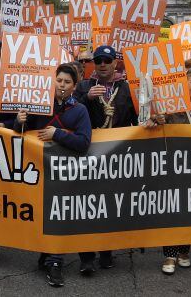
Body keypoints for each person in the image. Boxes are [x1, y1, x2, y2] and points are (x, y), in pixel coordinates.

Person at [0, 64, 92, 287]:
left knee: (57, 215)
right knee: (42, 215)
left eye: (67, 82)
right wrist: (17, 122)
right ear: (53, 81)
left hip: (65, 174)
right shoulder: (40, 106)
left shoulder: (80, 110)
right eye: (59, 80)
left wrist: (56, 134)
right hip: (39, 172)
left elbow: (83, 143)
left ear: (74, 86)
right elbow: (24, 130)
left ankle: (55, 261)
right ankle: (47, 254)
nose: (62, 85)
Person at [143, 68, 191, 275]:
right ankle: (170, 254)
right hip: (173, 167)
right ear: (185, 83)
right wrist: (158, 121)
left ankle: (185, 251)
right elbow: (155, 128)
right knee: (172, 209)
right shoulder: (171, 106)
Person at [74, 45, 136, 273]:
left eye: (106, 61)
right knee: (87, 206)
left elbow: (137, 118)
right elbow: (69, 111)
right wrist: (86, 98)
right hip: (88, 154)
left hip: (116, 155)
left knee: (110, 205)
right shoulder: (84, 86)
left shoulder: (127, 88)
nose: (102, 65)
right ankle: (86, 257)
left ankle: (106, 251)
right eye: (98, 60)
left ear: (114, 63)